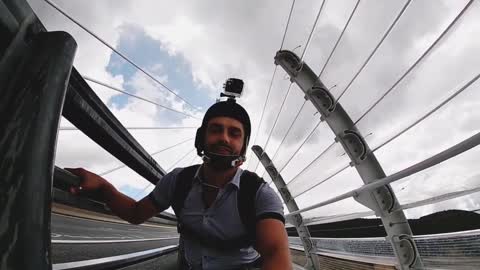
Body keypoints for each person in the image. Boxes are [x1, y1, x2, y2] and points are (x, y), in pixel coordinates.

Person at [66, 99, 292, 270]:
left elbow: (274, 253)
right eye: (215, 129)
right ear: (201, 138)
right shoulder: (178, 181)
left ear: (243, 148)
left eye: (234, 133)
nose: (224, 138)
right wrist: (105, 188)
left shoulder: (259, 194)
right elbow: (136, 213)